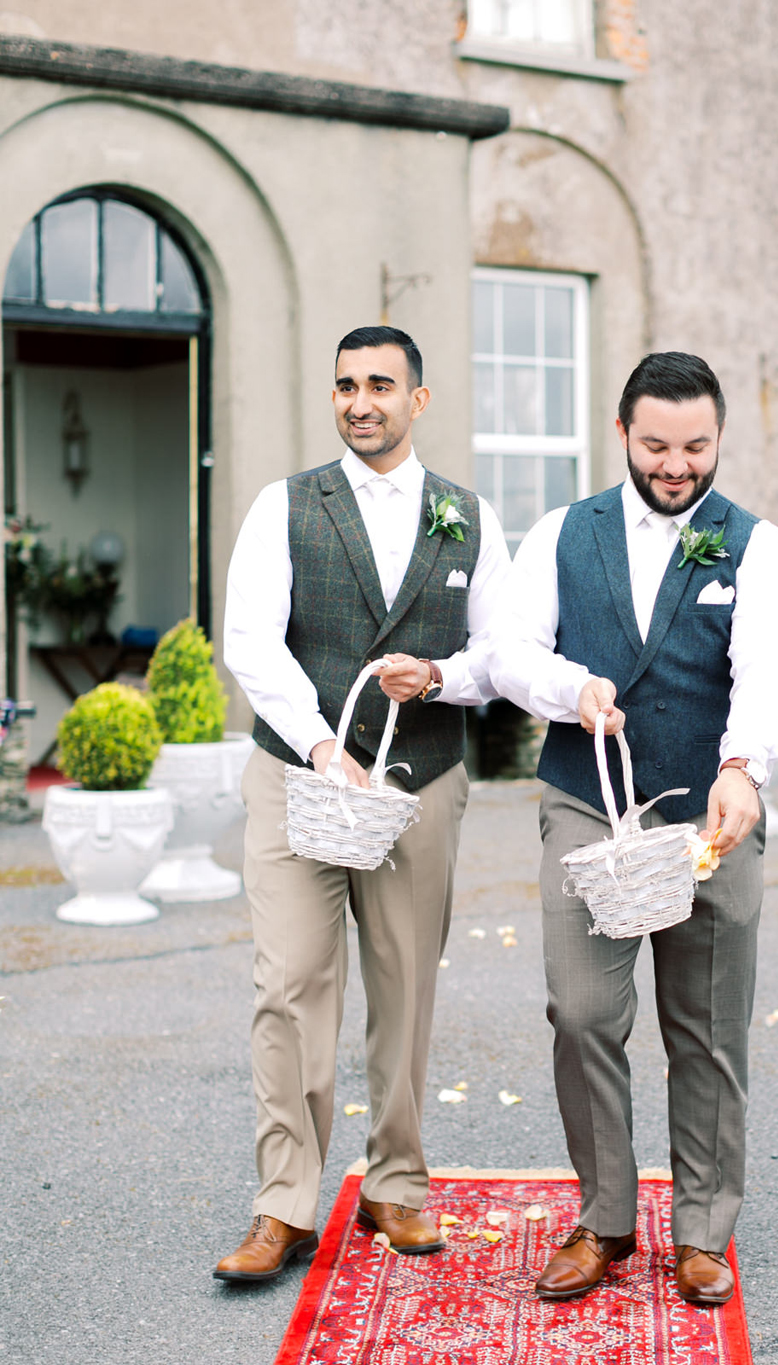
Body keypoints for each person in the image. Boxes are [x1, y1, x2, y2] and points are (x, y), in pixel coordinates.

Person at [488, 351, 778, 1305]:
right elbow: (509, 651)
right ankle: (606, 1218)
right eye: (658, 444)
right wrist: (566, 687)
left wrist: (744, 769)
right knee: (582, 1012)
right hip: (588, 801)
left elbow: (768, 669)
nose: (677, 465)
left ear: (718, 441)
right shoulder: (559, 533)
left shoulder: (754, 545)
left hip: (712, 810)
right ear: (621, 432)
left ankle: (704, 1229)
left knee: (708, 1028)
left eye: (697, 446)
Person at [216, 325, 509, 1281]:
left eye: (381, 383)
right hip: (298, 779)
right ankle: (284, 1205)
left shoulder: (467, 513)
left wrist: (441, 675)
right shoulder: (285, 505)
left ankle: (396, 1184)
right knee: (289, 987)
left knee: (405, 987)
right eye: (346, 384)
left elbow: (499, 653)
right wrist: (323, 746)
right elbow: (251, 642)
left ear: (418, 399)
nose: (360, 400)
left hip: (422, 783)